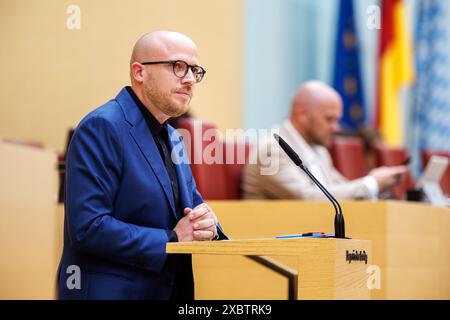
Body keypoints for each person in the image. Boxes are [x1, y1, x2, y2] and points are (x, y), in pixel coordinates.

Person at [57, 30, 227, 300]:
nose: (190, 80)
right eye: (178, 66)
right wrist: (171, 239)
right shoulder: (102, 127)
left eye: (195, 70)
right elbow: (88, 227)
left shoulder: (173, 135)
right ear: (139, 72)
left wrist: (208, 223)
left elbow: (193, 208)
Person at [242, 81, 408, 200]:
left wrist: (379, 186)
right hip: (276, 240)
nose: (336, 128)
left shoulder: (318, 149)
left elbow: (341, 188)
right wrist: (371, 184)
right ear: (302, 115)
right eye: (329, 120)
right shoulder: (272, 150)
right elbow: (308, 197)